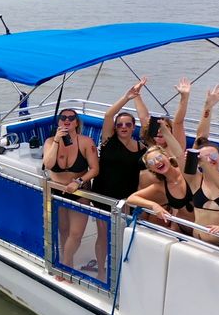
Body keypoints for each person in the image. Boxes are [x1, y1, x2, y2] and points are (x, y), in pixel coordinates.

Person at [90, 80, 147, 281]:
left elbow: (147, 121)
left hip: (126, 198)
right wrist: (127, 96)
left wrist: (139, 99)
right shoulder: (108, 141)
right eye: (120, 124)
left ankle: (123, 270)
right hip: (103, 194)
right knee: (103, 235)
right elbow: (108, 115)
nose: (123, 127)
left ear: (133, 128)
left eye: (128, 124)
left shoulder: (141, 148)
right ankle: (102, 269)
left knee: (123, 234)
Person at [42, 109, 99, 280]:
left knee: (76, 233)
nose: (67, 120)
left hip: (79, 191)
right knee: (63, 230)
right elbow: (48, 164)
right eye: (63, 118)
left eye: (71, 118)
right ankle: (68, 261)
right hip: (55, 192)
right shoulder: (50, 141)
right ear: (59, 122)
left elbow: (95, 169)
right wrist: (57, 140)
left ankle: (65, 265)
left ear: (76, 122)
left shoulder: (86, 142)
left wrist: (79, 181)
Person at [127, 145, 195, 228]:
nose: (156, 162)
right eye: (151, 162)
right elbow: (131, 199)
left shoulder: (186, 172)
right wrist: (154, 205)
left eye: (159, 157)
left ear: (167, 156)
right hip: (181, 228)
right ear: (151, 169)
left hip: (203, 229)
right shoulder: (160, 187)